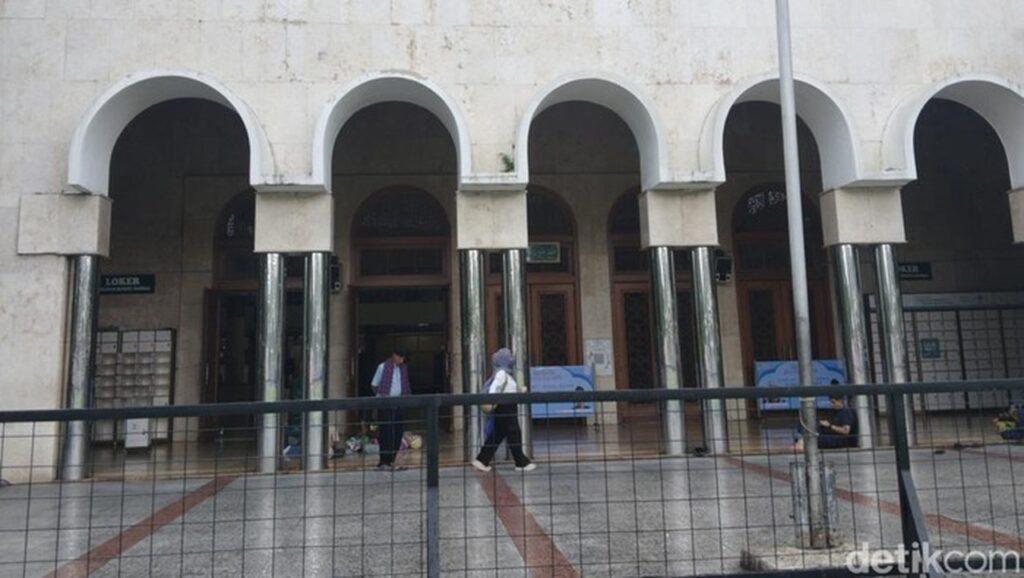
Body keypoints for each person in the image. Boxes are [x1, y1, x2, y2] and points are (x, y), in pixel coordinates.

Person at [472, 348, 535, 473]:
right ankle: (521, 462)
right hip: (505, 407)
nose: (511, 360)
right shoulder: (501, 374)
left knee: (498, 434)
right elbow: (495, 389)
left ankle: (482, 460)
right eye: (509, 357)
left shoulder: (506, 374)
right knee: (513, 433)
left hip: (506, 406)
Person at [371, 345, 411, 471]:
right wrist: (384, 396)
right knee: (385, 433)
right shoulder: (382, 367)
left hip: (399, 404)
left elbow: (405, 384)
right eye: (400, 357)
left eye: (403, 358)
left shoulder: (403, 368)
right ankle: (384, 462)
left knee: (397, 433)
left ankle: (392, 460)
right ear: (394, 355)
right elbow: (374, 385)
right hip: (385, 405)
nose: (401, 360)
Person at [793, 395, 858, 451]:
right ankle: (800, 440)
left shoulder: (847, 412)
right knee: (808, 422)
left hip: (841, 439)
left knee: (813, 438)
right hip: (831, 435)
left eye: (833, 402)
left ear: (840, 401)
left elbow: (845, 431)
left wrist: (829, 426)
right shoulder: (835, 412)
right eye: (830, 402)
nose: (831, 404)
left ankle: (801, 442)